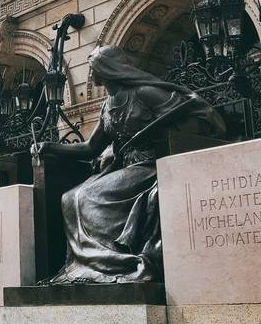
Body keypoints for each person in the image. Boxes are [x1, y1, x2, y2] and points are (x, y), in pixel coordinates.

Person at [33, 45, 225, 284]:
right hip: (125, 168)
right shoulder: (108, 104)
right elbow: (90, 148)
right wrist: (51, 146)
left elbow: (200, 120)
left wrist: (159, 135)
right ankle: (90, 264)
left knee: (87, 196)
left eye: (94, 68)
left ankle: (112, 261)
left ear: (108, 68)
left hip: (151, 165)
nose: (92, 74)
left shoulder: (145, 92)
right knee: (69, 197)